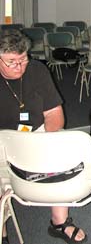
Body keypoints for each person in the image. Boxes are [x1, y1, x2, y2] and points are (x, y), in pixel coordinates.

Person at [0, 30, 86, 244]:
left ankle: (59, 222)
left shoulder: (37, 70)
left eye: (23, 59)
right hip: (3, 139)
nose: (19, 67)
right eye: (11, 62)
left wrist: (46, 143)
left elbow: (54, 114)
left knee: (63, 151)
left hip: (37, 133)